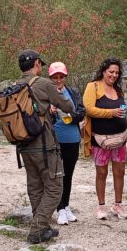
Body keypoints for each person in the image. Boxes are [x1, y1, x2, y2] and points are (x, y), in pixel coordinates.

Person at [15, 49, 75, 243]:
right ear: (37, 64)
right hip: (44, 144)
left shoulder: (15, 85)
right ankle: (38, 227)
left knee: (35, 185)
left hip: (24, 144)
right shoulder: (43, 83)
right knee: (55, 187)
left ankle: (42, 227)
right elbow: (68, 107)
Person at [82, 57, 127, 220]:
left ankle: (118, 204)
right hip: (100, 139)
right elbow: (89, 109)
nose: (114, 75)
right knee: (101, 172)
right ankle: (101, 206)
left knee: (120, 172)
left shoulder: (118, 89)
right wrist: (111, 113)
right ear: (103, 71)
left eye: (117, 73)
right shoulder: (93, 86)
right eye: (111, 72)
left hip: (120, 138)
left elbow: (123, 109)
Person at [49, 61, 85, 226]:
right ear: (50, 78)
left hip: (72, 138)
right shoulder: (47, 93)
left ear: (65, 76)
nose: (58, 80)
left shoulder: (73, 92)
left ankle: (66, 205)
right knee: (58, 174)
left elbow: (82, 112)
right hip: (55, 139)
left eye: (61, 77)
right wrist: (49, 111)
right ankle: (59, 209)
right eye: (55, 77)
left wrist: (69, 115)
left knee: (68, 174)